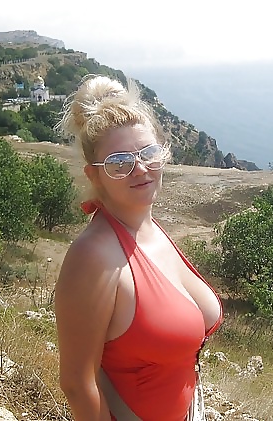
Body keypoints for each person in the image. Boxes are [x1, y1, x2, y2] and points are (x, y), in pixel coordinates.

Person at [54, 75, 223, 421]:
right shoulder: (95, 256)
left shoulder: (151, 230)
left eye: (148, 153)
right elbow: (77, 384)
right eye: (119, 163)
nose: (141, 169)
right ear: (94, 175)